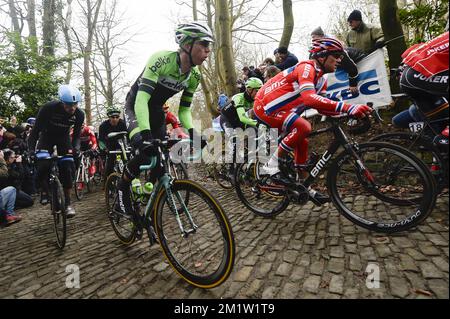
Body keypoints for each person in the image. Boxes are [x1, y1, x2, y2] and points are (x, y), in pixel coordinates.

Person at [253, 37, 372, 205]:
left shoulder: (321, 79)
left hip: (282, 109)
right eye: (336, 55)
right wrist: (348, 108)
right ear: (322, 56)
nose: (339, 60)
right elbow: (309, 99)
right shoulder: (306, 68)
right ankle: (271, 165)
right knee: (304, 126)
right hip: (264, 106)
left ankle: (304, 186)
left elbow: (322, 107)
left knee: (303, 141)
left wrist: (349, 112)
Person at [116, 21, 213, 216]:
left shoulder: (194, 76)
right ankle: (121, 191)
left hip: (157, 112)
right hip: (136, 107)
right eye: (203, 44)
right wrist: (143, 133)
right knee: (144, 152)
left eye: (209, 46)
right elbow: (142, 99)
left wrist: (194, 133)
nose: (208, 50)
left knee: (161, 160)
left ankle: (150, 196)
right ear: (187, 44)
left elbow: (184, 110)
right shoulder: (160, 60)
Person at [28, 84, 84, 218]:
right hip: (46, 136)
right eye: (68, 105)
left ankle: (68, 203)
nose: (72, 108)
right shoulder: (48, 108)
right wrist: (31, 150)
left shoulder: (79, 114)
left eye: (75, 104)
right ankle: (45, 191)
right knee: (43, 164)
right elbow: (35, 131)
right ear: (61, 102)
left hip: (63, 138)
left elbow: (76, 136)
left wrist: (76, 148)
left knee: (68, 166)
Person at [395, 31, 449, 135]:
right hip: (416, 76)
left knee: (436, 120)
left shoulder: (442, 39)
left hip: (411, 76)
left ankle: (433, 143)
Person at [311, 27, 366, 94]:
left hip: (359, 58)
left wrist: (353, 84)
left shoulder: (335, 50)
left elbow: (352, 68)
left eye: (314, 37)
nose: (312, 40)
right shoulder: (319, 51)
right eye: (312, 38)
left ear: (321, 36)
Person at [98, 106, 128, 180]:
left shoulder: (122, 123)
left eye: (117, 117)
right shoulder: (103, 126)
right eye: (112, 117)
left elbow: (128, 136)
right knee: (110, 164)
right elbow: (101, 140)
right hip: (109, 146)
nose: (115, 119)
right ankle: (107, 181)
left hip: (121, 145)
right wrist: (104, 148)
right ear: (109, 117)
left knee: (127, 161)